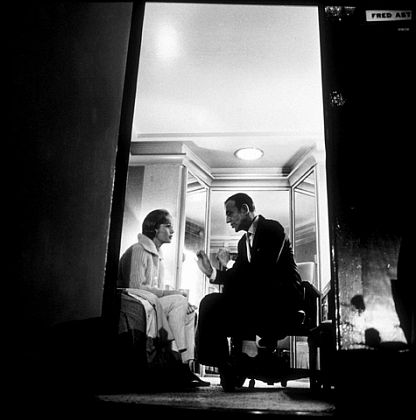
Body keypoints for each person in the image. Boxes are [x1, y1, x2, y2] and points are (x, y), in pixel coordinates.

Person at [195, 193, 304, 375]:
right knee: (210, 302)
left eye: (230, 213)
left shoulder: (273, 229)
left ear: (245, 209)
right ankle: (223, 363)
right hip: (254, 300)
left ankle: (248, 354)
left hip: (280, 301)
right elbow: (238, 275)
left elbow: (263, 271)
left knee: (242, 292)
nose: (228, 220)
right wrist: (211, 272)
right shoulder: (242, 243)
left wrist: (230, 266)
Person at [118, 209, 209, 387]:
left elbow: (156, 290)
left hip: (148, 299)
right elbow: (135, 286)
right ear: (154, 228)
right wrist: (174, 294)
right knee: (179, 300)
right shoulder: (139, 249)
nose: (172, 231)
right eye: (167, 226)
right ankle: (175, 365)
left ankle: (185, 365)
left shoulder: (158, 256)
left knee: (189, 312)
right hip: (133, 298)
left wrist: (178, 298)